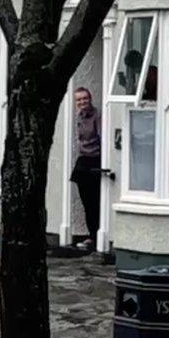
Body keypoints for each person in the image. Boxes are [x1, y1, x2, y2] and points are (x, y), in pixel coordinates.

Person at [71, 87, 101, 251]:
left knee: (95, 201)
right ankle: (91, 234)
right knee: (86, 201)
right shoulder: (79, 117)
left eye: (85, 99)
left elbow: (101, 137)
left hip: (95, 159)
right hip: (83, 160)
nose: (82, 102)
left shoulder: (97, 115)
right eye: (79, 100)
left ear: (90, 99)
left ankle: (96, 236)